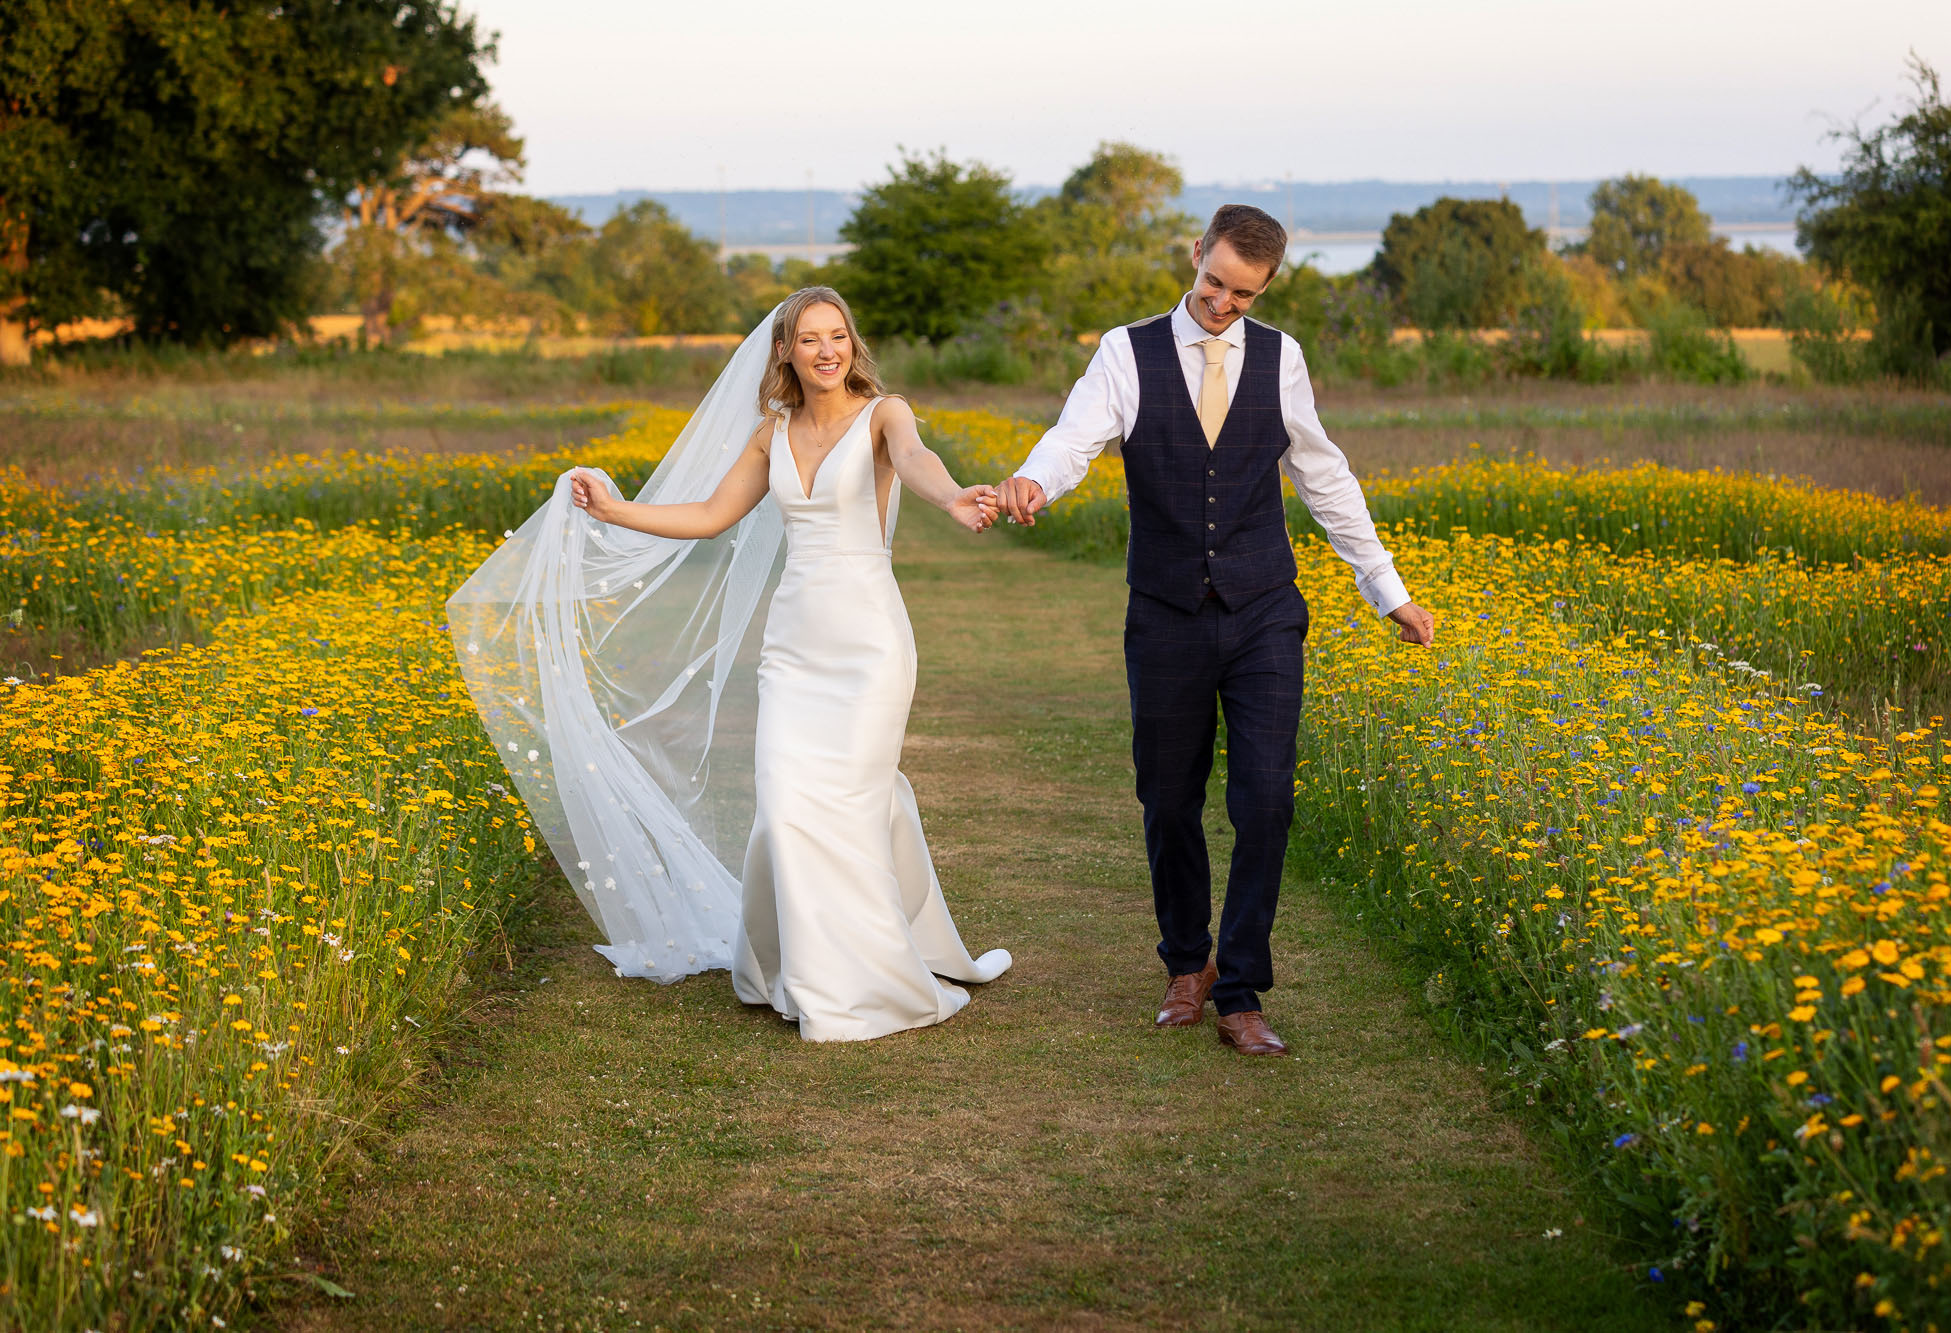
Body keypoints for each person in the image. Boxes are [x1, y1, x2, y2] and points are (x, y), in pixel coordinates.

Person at [996, 205, 1436, 1056]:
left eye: (1244, 294)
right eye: (1214, 284)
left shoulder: (1281, 358)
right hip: (1164, 612)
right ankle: (1185, 962)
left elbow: (1322, 472)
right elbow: (1074, 436)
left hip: (1265, 607)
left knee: (1266, 801)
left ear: (1265, 286)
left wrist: (1386, 588)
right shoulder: (1126, 352)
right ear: (1195, 254)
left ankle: (1240, 989)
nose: (1223, 305)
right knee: (1168, 799)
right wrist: (1034, 482)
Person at [555, 286, 1012, 1041]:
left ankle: (865, 981)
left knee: (852, 806)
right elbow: (708, 516)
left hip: (868, 646)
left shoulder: (885, 413)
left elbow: (918, 461)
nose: (828, 349)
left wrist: (955, 496)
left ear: (851, 344)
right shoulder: (773, 432)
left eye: (838, 335)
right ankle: (801, 968)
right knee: (786, 806)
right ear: (785, 351)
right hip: (793, 650)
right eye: (810, 338)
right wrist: (614, 509)